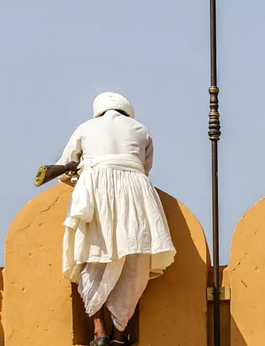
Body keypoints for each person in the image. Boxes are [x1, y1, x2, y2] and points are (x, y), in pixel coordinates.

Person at [57, 93, 175, 346]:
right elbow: (144, 167)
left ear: (98, 110)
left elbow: (63, 170)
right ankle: (120, 335)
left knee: (91, 258)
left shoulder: (85, 128)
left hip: (95, 194)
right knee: (134, 262)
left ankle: (99, 332)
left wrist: (85, 174)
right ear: (125, 111)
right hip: (136, 194)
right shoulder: (141, 130)